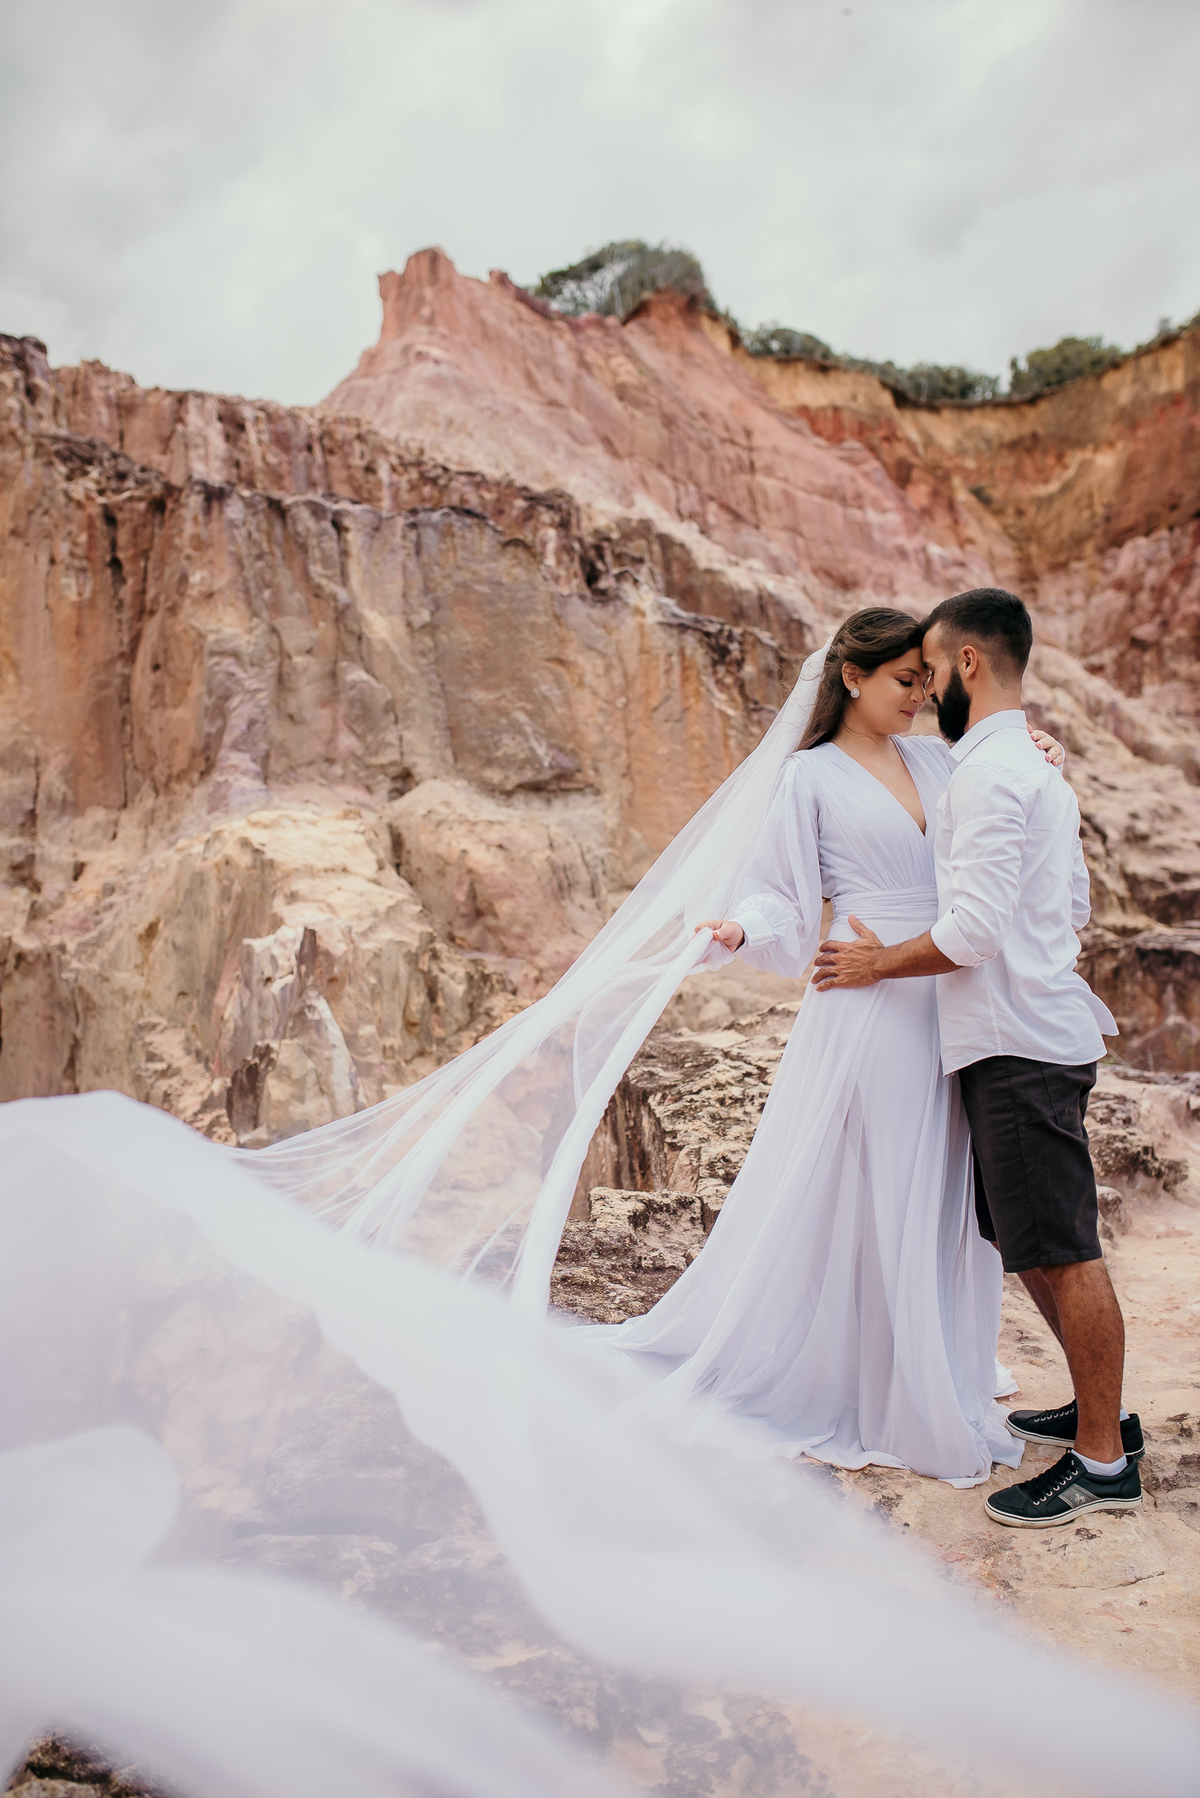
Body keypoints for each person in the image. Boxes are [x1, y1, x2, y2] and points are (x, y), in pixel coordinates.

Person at [582, 607, 1065, 1487]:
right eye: (903, 682)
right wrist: (741, 927)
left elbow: (998, 806)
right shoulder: (807, 777)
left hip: (947, 993)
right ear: (852, 678)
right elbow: (781, 895)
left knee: (946, 1186)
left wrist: (1040, 758)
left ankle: (936, 1365)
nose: (921, 699)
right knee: (880, 1181)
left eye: (926, 681)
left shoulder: (937, 759)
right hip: (867, 1001)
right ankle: (868, 1381)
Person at [814, 587, 1142, 1527]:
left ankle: (1104, 1462)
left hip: (1019, 1043)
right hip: (1020, 1035)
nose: (922, 692)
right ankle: (1095, 1411)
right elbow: (1069, 905)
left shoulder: (998, 777)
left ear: (965, 665)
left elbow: (974, 932)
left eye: (931, 669)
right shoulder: (1016, 767)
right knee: (1030, 1242)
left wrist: (877, 962)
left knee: (1065, 1250)